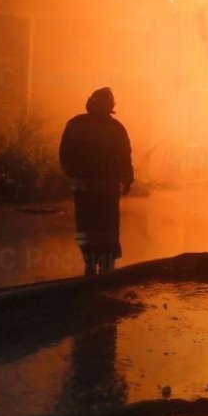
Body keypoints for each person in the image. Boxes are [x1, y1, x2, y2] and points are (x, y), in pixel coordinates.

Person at [58, 87, 134, 275]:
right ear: (110, 106)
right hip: (107, 187)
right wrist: (127, 180)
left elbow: (64, 154)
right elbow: (125, 157)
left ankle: (89, 261)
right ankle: (106, 264)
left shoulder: (75, 124)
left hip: (82, 187)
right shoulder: (116, 129)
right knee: (107, 223)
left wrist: (70, 174)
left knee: (86, 224)